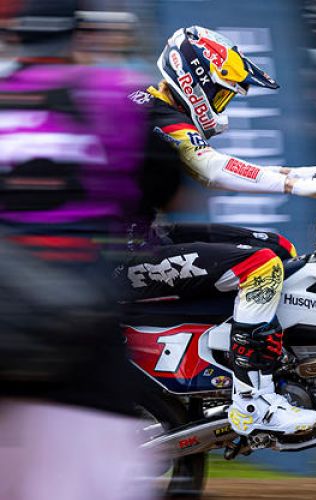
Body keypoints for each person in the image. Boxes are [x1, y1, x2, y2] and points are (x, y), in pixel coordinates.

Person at [124, 26, 316, 436]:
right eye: (221, 95)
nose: (222, 107)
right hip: (121, 258)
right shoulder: (157, 115)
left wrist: (298, 173)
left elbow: (216, 163)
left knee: (278, 248)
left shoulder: (150, 106)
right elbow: (211, 167)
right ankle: (252, 400)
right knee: (260, 267)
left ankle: (239, 362)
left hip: (139, 240)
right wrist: (294, 185)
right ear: (194, 81)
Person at [0, 1, 155, 499]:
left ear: (15, 34)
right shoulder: (113, 94)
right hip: (80, 352)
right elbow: (157, 192)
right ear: (78, 34)